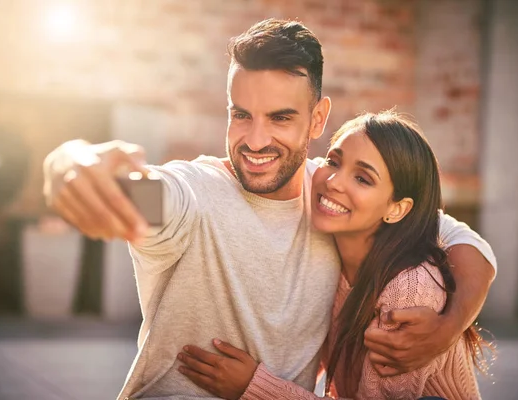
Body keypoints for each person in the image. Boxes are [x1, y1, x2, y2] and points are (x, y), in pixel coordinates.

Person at [42, 19, 496, 399]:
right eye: (241, 115)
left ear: (318, 119)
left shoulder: (331, 199)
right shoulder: (197, 192)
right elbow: (148, 194)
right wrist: (74, 165)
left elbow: (460, 239)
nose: (256, 141)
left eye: (280, 118)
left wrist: (449, 325)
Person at [176, 111, 493, 400]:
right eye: (333, 161)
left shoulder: (408, 290)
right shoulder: (332, 248)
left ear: (396, 209)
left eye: (362, 178)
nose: (333, 182)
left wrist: (253, 387)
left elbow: (472, 245)